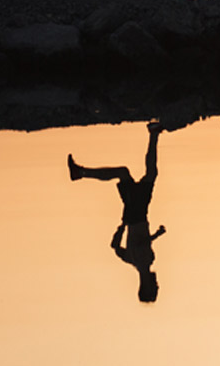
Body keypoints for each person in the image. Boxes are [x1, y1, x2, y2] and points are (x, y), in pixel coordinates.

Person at [67, 122, 166, 303]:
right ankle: (153, 134)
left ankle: (80, 173)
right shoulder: (134, 262)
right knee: (144, 173)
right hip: (136, 213)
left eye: (155, 287)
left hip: (137, 213)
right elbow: (115, 247)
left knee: (130, 173)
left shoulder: (144, 262)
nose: (158, 284)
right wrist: (121, 228)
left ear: (147, 286)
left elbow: (140, 243)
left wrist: (155, 235)